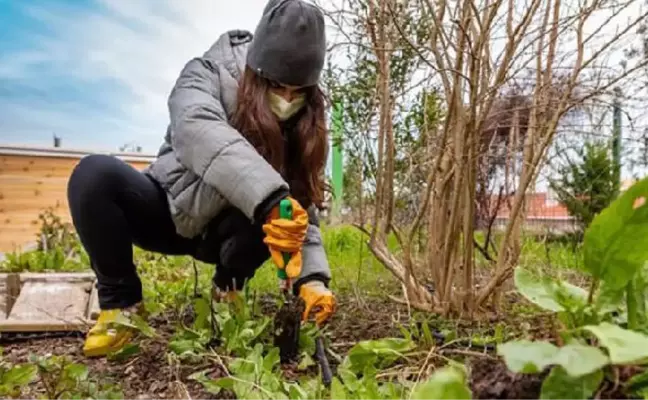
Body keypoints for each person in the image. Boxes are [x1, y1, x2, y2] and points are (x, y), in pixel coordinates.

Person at [67, 0, 336, 358]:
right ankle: (123, 305)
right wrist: (271, 197)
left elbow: (300, 208)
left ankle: (228, 290)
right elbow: (196, 129)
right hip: (170, 209)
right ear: (256, 71)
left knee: (277, 208)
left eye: (297, 92)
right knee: (94, 176)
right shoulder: (206, 73)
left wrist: (313, 280)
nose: (286, 100)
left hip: (230, 235)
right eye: (277, 87)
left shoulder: (305, 123)